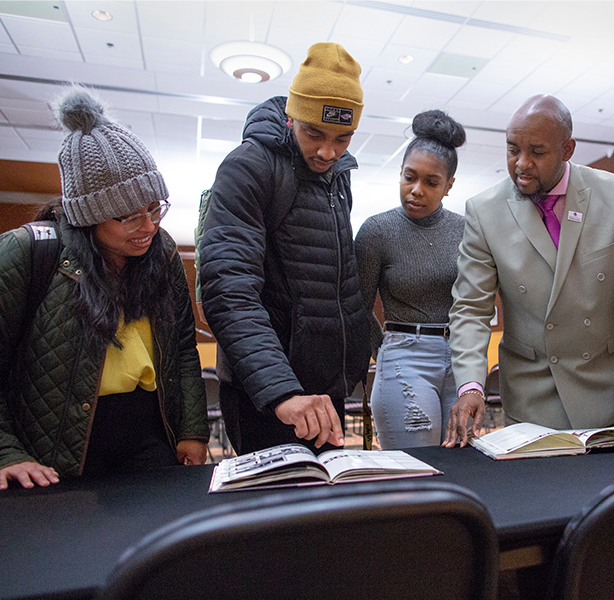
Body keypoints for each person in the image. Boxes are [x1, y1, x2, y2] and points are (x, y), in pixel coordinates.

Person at [0, 87, 209, 490]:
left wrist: (193, 429)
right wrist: (6, 451)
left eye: (154, 208)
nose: (148, 226)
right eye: (129, 217)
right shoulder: (29, 252)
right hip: (55, 449)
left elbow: (183, 348)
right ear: (88, 216)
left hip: (149, 438)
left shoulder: (160, 253)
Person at [444, 94, 614, 448]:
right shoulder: (484, 212)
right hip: (530, 397)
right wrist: (471, 385)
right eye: (512, 149)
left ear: (568, 149)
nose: (521, 163)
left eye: (537, 152)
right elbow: (471, 308)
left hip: (609, 393)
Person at [199, 42, 370, 455]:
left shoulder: (336, 175)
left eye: (343, 138)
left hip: (323, 393)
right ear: (292, 116)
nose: (328, 152)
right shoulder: (249, 167)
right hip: (268, 395)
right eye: (314, 134)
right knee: (273, 517)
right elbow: (228, 288)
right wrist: (280, 393)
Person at [355, 110, 466, 449]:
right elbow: (356, 307)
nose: (416, 190)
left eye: (431, 182)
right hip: (405, 358)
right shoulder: (377, 231)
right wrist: (386, 351)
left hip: (461, 360)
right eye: (409, 177)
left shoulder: (466, 230)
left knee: (464, 465)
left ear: (449, 186)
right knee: (417, 469)